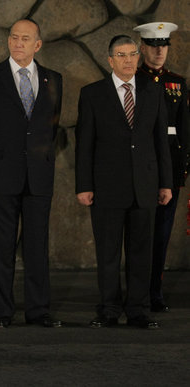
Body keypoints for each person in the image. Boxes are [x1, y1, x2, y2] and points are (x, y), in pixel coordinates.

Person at [75, 35, 173, 329]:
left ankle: (139, 310)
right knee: (107, 253)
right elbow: (85, 144)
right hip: (106, 188)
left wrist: (165, 183)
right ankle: (108, 310)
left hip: (144, 186)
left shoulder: (152, 91)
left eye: (132, 54)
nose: (129, 60)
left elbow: (160, 141)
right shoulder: (93, 94)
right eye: (122, 55)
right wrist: (83, 185)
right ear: (110, 60)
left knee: (141, 253)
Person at [0, 19, 63, 328]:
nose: (18, 42)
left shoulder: (54, 79)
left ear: (37, 45)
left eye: (25, 38)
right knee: (1, 247)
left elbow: (49, 129)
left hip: (39, 176)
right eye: (13, 37)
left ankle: (39, 311)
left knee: (37, 246)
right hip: (3, 174)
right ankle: (2, 313)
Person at [133, 22, 190, 313]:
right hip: (142, 164)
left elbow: (184, 128)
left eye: (163, 45)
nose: (159, 51)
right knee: (140, 231)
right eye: (153, 45)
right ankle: (136, 290)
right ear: (142, 47)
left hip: (171, 166)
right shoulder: (133, 79)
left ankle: (154, 291)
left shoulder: (177, 82)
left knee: (163, 233)